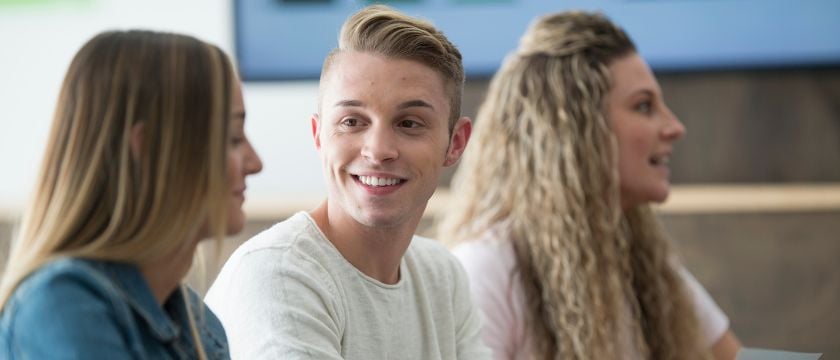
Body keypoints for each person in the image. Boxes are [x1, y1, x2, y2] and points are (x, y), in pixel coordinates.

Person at [438, 11, 741, 360]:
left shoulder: (646, 263)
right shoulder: (485, 271)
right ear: (575, 132)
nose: (674, 127)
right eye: (644, 106)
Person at [205, 5, 490, 359]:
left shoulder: (441, 275)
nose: (378, 150)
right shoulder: (279, 275)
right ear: (318, 135)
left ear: (456, 143)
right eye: (352, 122)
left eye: (409, 123)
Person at [0, 30, 263, 359]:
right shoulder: (64, 305)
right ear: (149, 148)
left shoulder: (197, 322)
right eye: (233, 137)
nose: (255, 163)